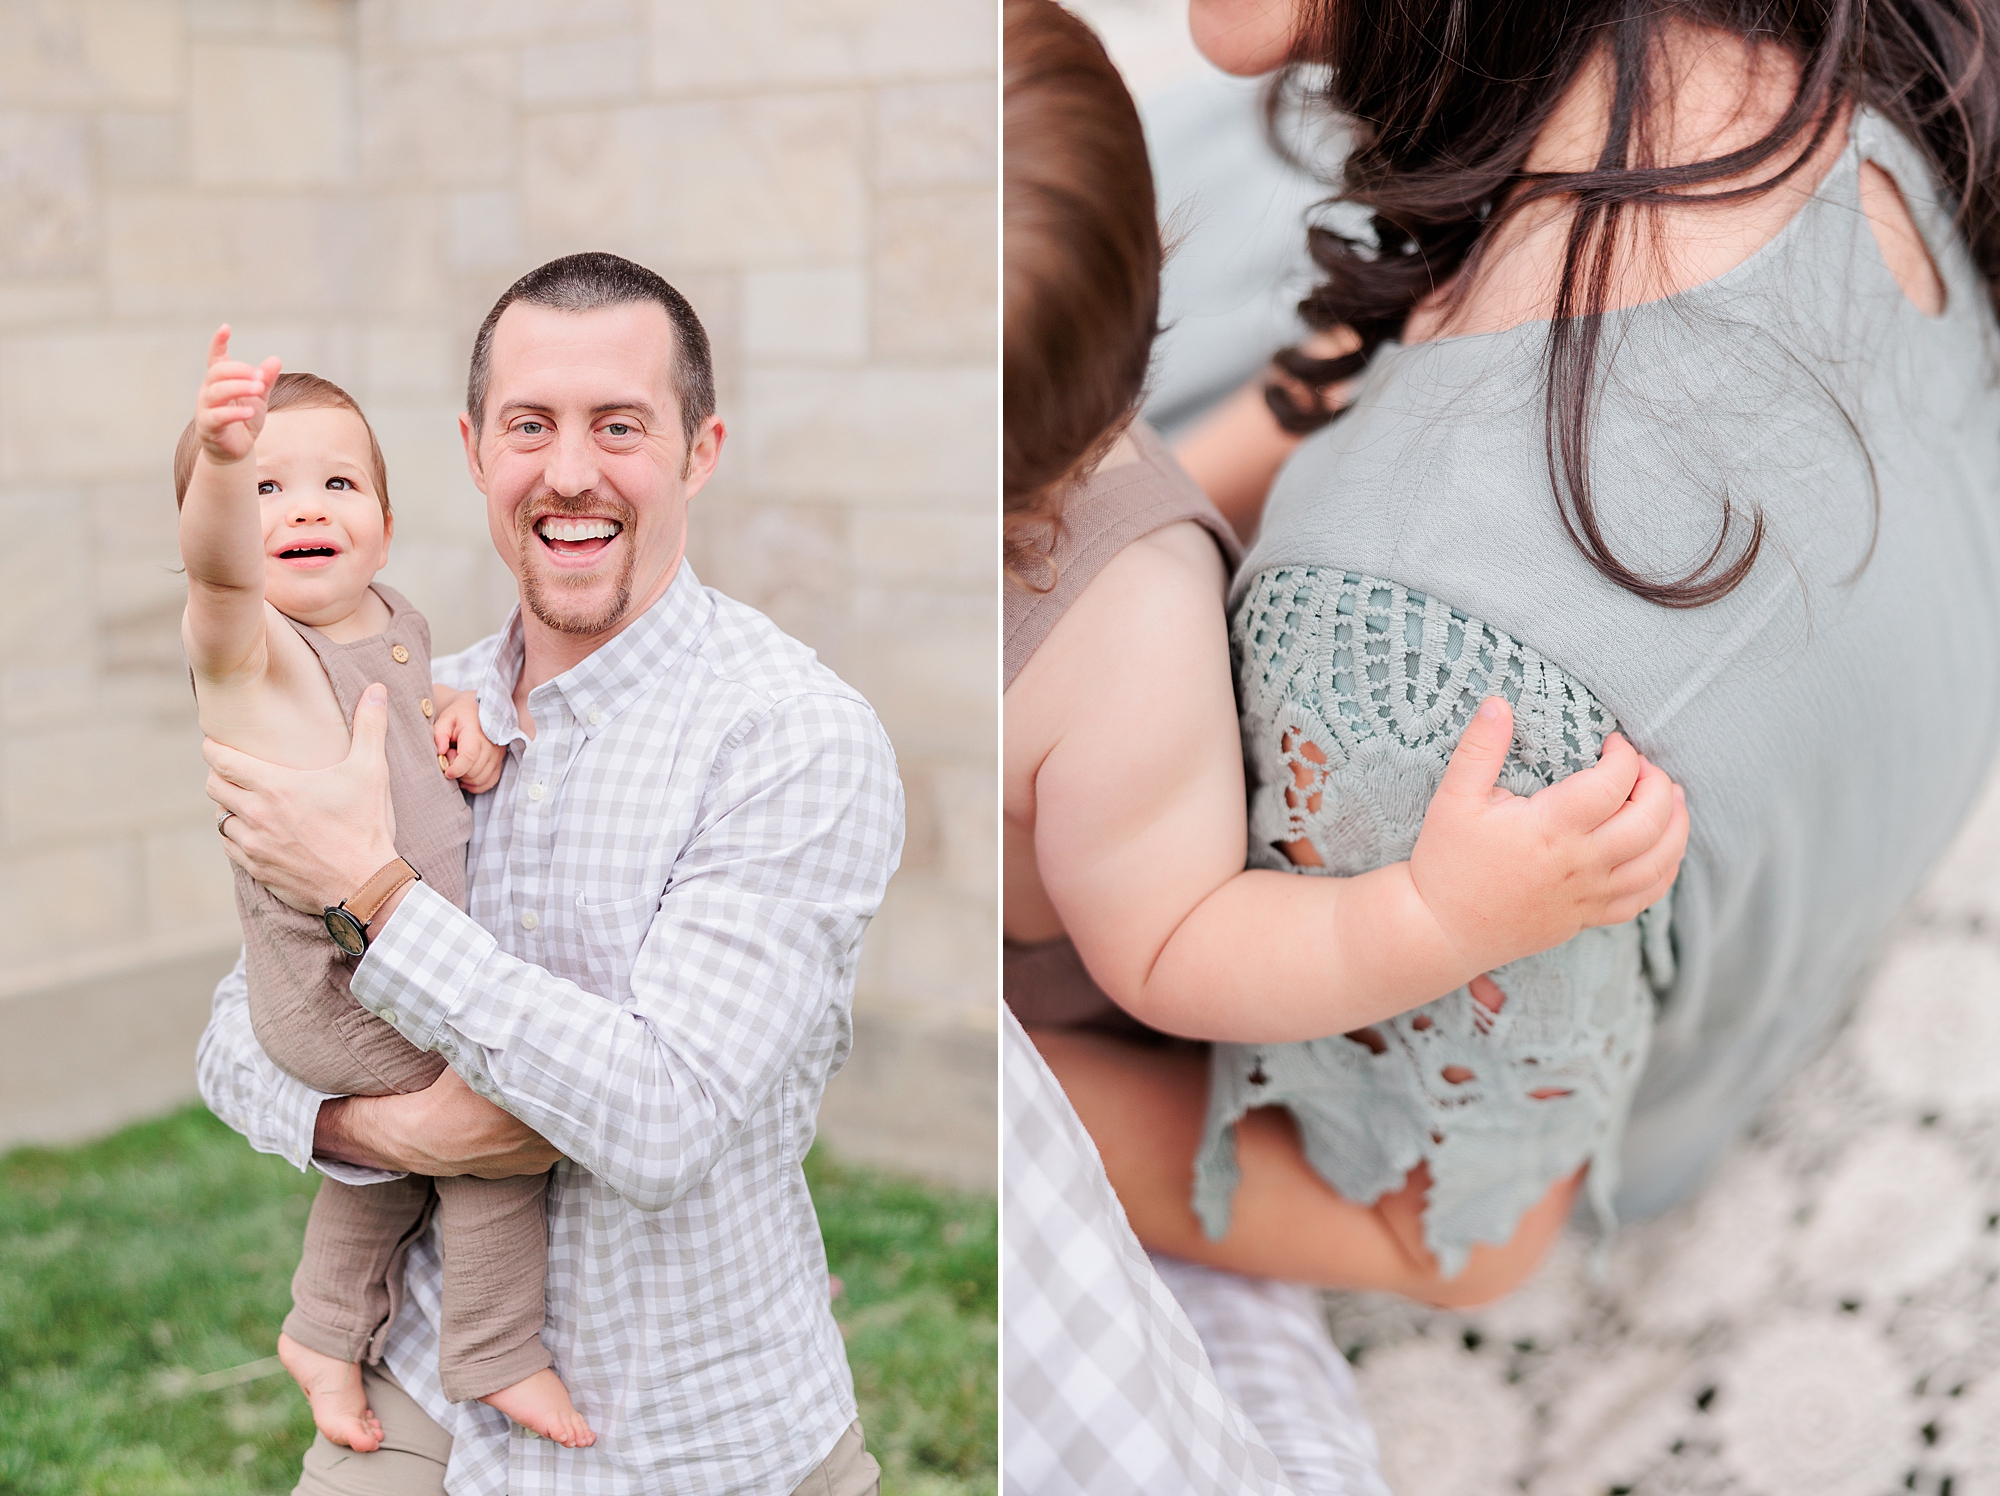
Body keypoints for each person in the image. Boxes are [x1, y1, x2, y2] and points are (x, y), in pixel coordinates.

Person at [1043, 0, 2000, 1297]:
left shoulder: (1399, 659)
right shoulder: (1797, 67)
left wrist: (1004, 1085)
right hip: (1806, 888)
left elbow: (1447, 1236)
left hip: (1585, 1096)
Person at [1004, 0, 1685, 1305]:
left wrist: (1325, 393)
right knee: (1040, 1098)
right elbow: (1176, 950)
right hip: (1071, 993)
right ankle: (1438, 1264)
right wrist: (1438, 914)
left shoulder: (1007, 534)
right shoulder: (1126, 642)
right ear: (1152, 261)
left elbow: (1093, 504)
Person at [197, 251, 902, 1496]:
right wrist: (377, 1126)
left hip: (696, 1434)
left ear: (700, 448)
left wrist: (375, 892)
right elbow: (232, 1027)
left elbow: (662, 1114)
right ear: (474, 452)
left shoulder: (790, 736)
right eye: (531, 425)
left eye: (619, 425)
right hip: (421, 1419)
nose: (569, 471)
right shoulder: (417, 703)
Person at [176, 338, 589, 1451]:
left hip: (383, 954)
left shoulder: (393, 621)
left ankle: (323, 1325)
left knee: (397, 1159)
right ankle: (497, 1345)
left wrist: (455, 712)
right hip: (331, 975)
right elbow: (221, 577)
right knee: (493, 1101)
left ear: (386, 523)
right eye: (266, 486)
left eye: (336, 482)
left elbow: (405, 711)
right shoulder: (250, 647)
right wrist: (220, 461)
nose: (301, 506)